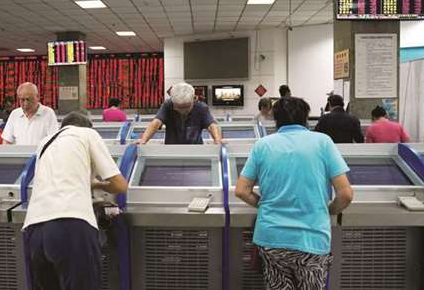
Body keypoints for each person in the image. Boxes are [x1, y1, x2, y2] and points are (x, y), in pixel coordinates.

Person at [235, 97, 353, 290]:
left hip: (272, 238)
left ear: (275, 118)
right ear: (305, 117)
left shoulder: (262, 145)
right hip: (311, 239)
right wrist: (329, 210)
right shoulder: (323, 142)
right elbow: (346, 194)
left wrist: (263, 204)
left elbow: (241, 191)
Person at [23, 111, 127, 290]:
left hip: (34, 229)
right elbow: (119, 184)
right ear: (86, 127)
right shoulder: (87, 134)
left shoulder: (45, 142)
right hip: (70, 225)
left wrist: (89, 184)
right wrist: (99, 185)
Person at [139, 82, 222, 144]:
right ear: (172, 101)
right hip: (172, 150)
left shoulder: (201, 107)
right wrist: (143, 141)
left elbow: (212, 126)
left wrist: (218, 141)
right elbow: (156, 123)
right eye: (178, 108)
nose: (182, 111)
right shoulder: (168, 105)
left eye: (186, 107)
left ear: (194, 99)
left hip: (196, 150)